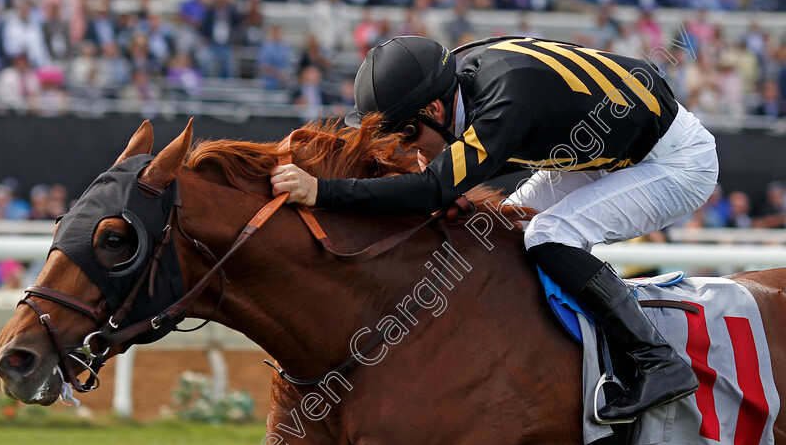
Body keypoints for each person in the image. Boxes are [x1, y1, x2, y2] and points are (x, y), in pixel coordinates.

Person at [270, 35, 719, 423]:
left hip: (672, 161)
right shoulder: (460, 80)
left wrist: (322, 192)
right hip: (604, 145)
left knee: (549, 235)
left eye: (405, 136)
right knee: (498, 226)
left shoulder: (504, 100)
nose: (404, 150)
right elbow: (456, 175)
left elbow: (433, 190)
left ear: (433, 108)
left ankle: (657, 362)